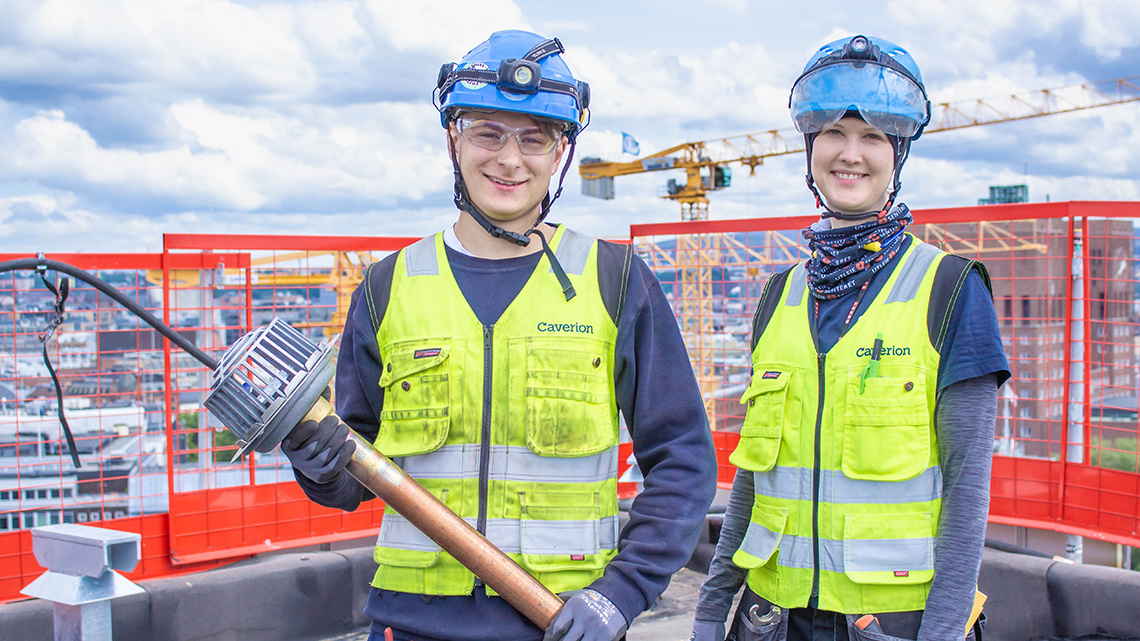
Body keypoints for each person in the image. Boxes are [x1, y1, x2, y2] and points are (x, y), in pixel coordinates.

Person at [279, 30, 718, 641]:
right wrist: (320, 467)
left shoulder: (615, 283)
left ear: (561, 150)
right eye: (488, 131)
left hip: (560, 621)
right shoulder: (387, 288)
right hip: (410, 623)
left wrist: (620, 595)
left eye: (534, 137)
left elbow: (684, 460)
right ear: (453, 137)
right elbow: (355, 474)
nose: (509, 159)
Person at [690, 35, 1010, 641]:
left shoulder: (950, 290)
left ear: (897, 155)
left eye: (872, 138)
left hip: (888, 625)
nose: (850, 154)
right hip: (769, 620)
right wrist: (710, 615)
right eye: (833, 134)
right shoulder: (778, 295)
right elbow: (753, 485)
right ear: (810, 149)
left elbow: (967, 499)